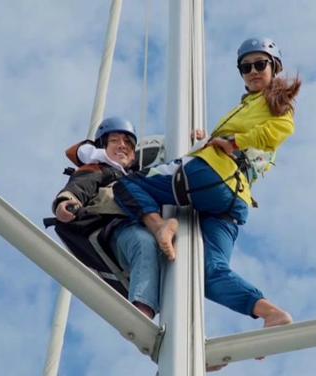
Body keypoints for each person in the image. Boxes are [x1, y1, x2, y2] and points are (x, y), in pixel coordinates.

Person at [112, 37, 301, 328]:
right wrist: (205, 139)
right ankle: (270, 313)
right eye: (245, 67)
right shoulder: (250, 106)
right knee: (209, 274)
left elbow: (281, 129)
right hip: (232, 200)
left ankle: (160, 226)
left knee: (128, 185)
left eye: (260, 64)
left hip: (212, 175)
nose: (252, 71)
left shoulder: (274, 103)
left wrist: (233, 141)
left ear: (274, 66)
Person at [52, 117, 165, 319]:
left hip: (146, 227)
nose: (122, 146)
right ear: (103, 146)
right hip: (116, 228)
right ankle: (141, 312)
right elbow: (79, 187)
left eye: (128, 143)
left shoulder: (141, 177)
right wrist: (66, 202)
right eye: (115, 141)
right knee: (143, 243)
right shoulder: (100, 169)